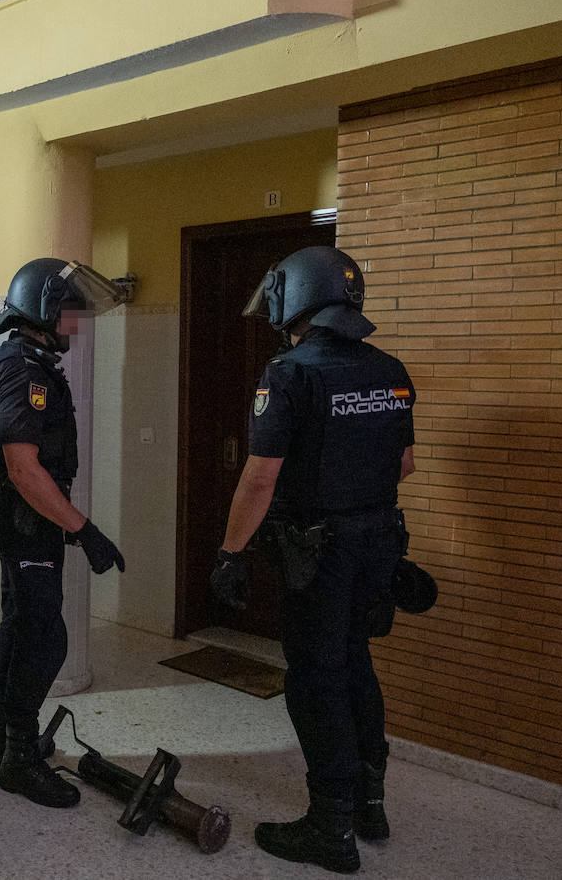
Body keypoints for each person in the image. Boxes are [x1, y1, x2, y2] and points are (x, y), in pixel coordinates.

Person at [208, 245, 416, 875]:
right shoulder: (389, 368)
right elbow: (403, 464)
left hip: (318, 555)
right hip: (378, 544)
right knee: (357, 665)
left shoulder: (290, 373)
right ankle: (369, 805)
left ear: (295, 295)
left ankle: (330, 827)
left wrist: (230, 553)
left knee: (315, 680)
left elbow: (259, 479)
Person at [0, 258, 127, 809]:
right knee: (46, 636)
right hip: (28, 519)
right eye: (69, 310)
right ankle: (18, 760)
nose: (74, 323)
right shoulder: (24, 370)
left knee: (20, 623)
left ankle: (0, 738)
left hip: (24, 519)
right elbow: (23, 467)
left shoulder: (15, 361)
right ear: (41, 308)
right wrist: (84, 530)